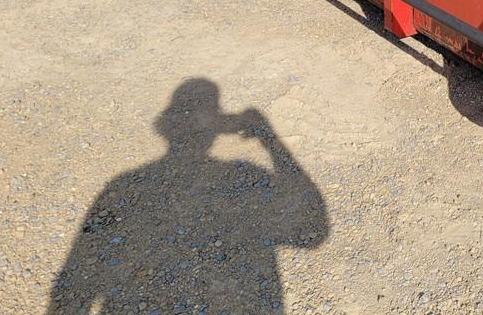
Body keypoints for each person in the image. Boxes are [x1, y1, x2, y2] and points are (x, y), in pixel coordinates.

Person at [47, 79, 327, 314]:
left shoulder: (121, 185)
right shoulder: (247, 172)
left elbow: (72, 286)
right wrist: (270, 139)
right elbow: (313, 232)